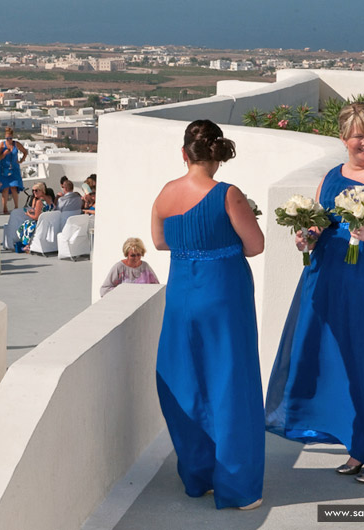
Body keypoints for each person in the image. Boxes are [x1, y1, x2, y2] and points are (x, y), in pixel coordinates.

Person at [265, 102, 364, 485]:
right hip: (332, 279)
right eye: (356, 134)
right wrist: (307, 237)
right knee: (342, 364)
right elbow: (323, 224)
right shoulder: (330, 177)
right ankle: (357, 447)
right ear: (343, 138)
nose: (363, 141)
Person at [151, 119, 264, 510]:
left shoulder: (166, 193)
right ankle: (237, 487)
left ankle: (199, 477)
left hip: (183, 295)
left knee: (188, 381)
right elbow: (255, 246)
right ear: (217, 156)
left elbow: (160, 241)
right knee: (230, 382)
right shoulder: (228, 195)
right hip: (224, 297)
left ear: (184, 154)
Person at [0, 127, 28, 214]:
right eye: (7, 138)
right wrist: (4, 154)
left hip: (14, 169)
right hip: (4, 169)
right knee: (5, 188)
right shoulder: (2, 145)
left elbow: (25, 152)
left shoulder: (16, 144)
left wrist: (21, 160)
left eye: (10, 138)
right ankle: (5, 208)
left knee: (14, 187)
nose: (9, 140)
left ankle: (16, 207)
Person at [16, 182, 53, 252]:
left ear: (42, 190)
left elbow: (36, 217)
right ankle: (27, 244)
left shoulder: (39, 202)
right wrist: (33, 210)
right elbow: (44, 210)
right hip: (48, 222)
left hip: (40, 223)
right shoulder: (49, 198)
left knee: (25, 224)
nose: (34, 192)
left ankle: (27, 245)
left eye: (36, 190)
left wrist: (28, 214)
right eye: (33, 190)